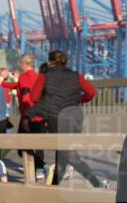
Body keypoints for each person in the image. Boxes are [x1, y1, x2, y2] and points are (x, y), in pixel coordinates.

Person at [25, 50, 108, 188]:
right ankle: (53, 187)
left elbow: (34, 97)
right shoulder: (75, 75)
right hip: (74, 116)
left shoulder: (44, 75)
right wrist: (79, 99)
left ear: (50, 62)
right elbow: (91, 92)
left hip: (56, 117)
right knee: (63, 153)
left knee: (68, 154)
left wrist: (48, 100)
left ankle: (97, 182)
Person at [3, 54, 45, 181]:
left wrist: (27, 117)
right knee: (38, 144)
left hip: (28, 115)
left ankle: (43, 167)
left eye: (20, 64)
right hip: (41, 114)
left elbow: (26, 96)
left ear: (23, 64)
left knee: (22, 146)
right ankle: (39, 170)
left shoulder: (24, 77)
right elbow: (18, 86)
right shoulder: (38, 76)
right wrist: (3, 83)